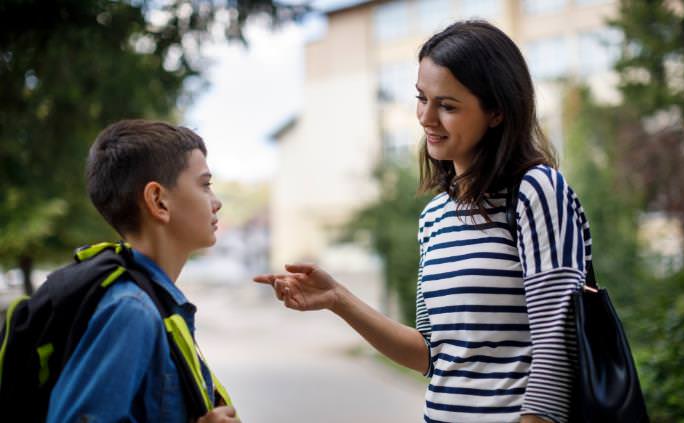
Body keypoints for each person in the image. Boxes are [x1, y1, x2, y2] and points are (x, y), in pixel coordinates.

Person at [255, 20, 592, 423]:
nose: (426, 118)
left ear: (497, 111)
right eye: (421, 98)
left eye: (447, 106)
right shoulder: (434, 216)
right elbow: (430, 356)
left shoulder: (537, 190)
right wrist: (338, 300)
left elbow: (558, 345)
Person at [47, 119, 240, 423]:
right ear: (158, 200)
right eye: (204, 185)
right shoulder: (131, 311)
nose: (216, 203)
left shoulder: (153, 302)